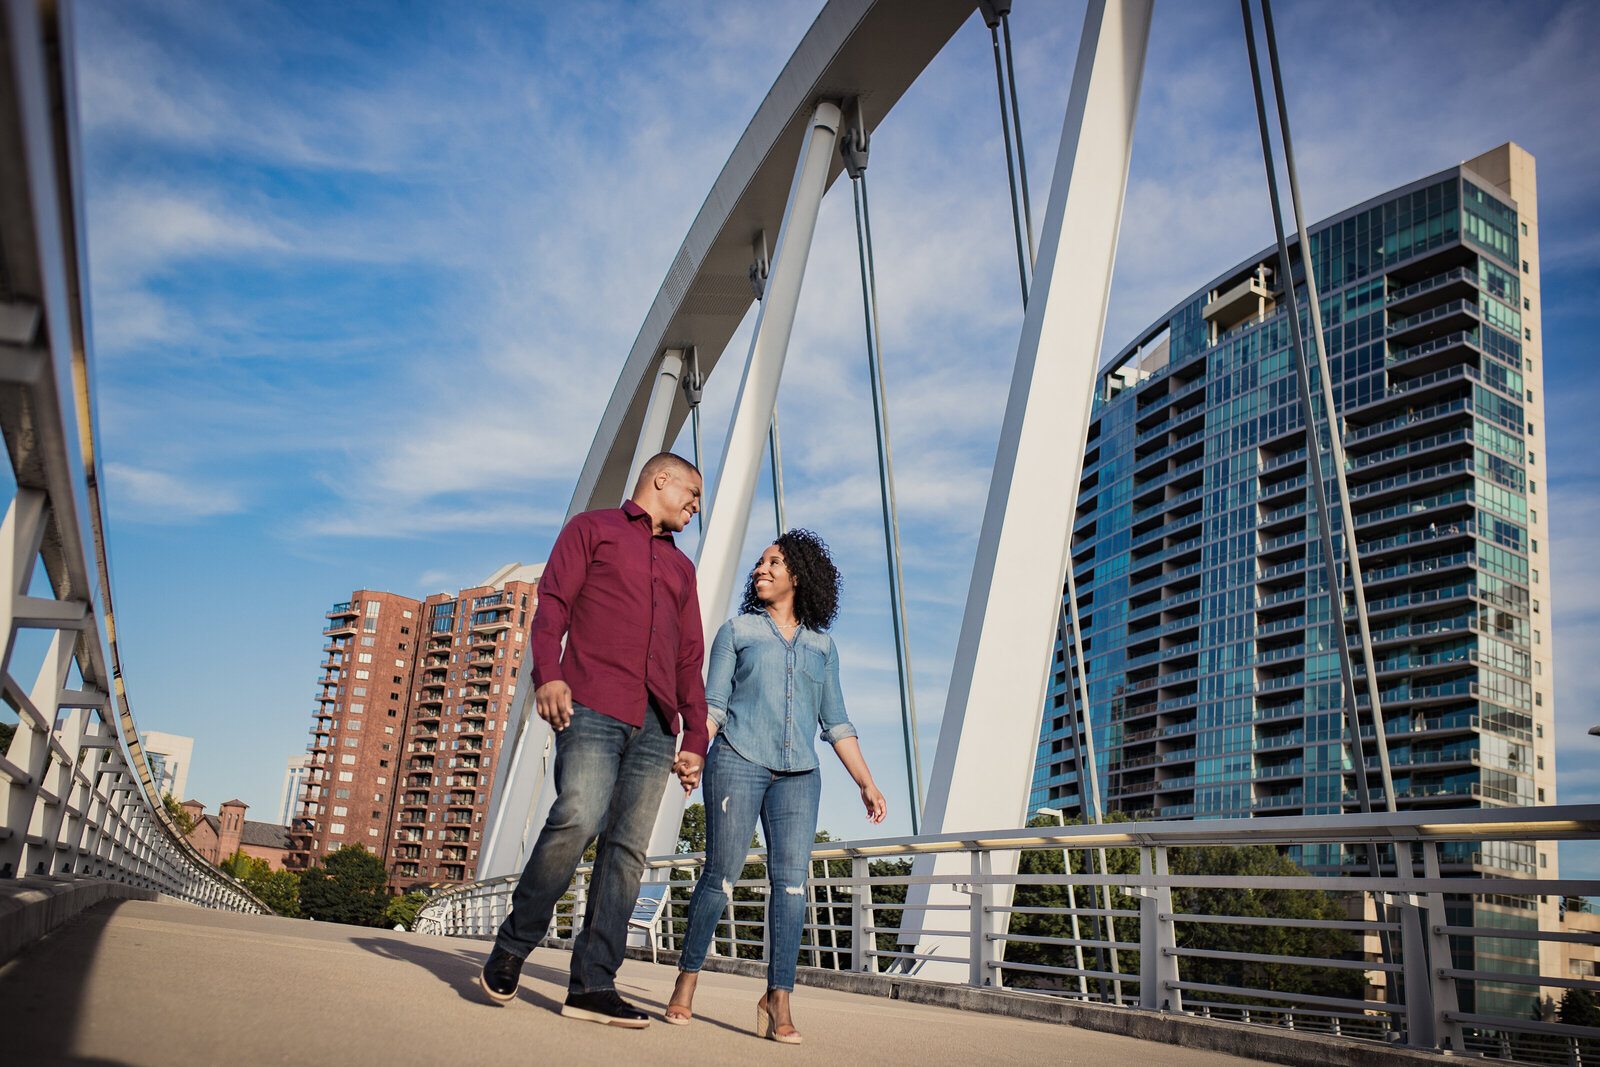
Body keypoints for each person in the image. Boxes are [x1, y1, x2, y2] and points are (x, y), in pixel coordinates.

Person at [478, 452, 711, 1029]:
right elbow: (552, 603)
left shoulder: (683, 571)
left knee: (627, 853)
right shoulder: (591, 530)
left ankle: (592, 984)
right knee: (578, 816)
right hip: (593, 703)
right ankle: (512, 946)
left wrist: (696, 734)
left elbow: (688, 657)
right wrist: (546, 674)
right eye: (694, 493)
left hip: (658, 724)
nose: (697, 506)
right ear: (662, 480)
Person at [664, 529, 886, 1043]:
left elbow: (837, 723)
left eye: (774, 563)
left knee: (791, 887)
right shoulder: (737, 631)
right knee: (720, 877)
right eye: (760, 563)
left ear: (799, 576)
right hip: (737, 760)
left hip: (800, 777)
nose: (761, 570)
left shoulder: (822, 647)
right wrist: (694, 750)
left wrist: (866, 784)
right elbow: (713, 705)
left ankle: (778, 997)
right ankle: (686, 980)